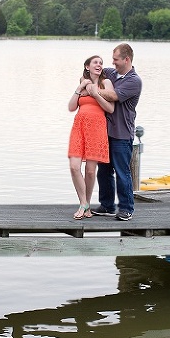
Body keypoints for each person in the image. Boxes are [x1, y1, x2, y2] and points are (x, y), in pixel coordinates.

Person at [91, 43, 142, 221]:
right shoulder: (111, 73)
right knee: (103, 171)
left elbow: (113, 96)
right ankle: (107, 205)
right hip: (104, 132)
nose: (113, 63)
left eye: (116, 59)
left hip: (122, 134)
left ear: (126, 59)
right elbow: (93, 72)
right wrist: (88, 75)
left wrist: (95, 90)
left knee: (122, 172)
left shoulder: (134, 80)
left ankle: (127, 208)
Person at [67, 55, 115, 220]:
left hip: (96, 129)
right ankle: (84, 203)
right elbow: (71, 107)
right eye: (95, 62)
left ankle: (85, 205)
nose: (99, 65)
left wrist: (96, 94)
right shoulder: (83, 83)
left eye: (101, 63)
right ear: (87, 66)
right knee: (74, 167)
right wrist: (80, 87)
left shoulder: (106, 83)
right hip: (79, 127)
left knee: (90, 170)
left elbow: (110, 108)